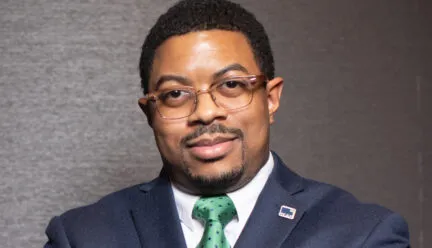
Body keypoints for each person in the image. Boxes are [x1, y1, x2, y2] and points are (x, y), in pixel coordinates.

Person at [43, 0, 410, 247]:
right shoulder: (80, 236)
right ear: (150, 112)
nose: (205, 113)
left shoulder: (362, 235)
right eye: (175, 94)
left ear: (270, 98)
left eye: (231, 85)